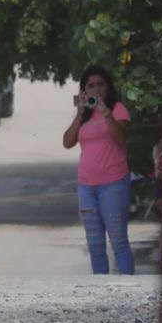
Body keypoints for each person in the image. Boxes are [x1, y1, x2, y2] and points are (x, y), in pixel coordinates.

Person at [61, 64, 134, 275]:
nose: (96, 89)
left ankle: (129, 288)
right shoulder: (84, 116)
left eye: (101, 84)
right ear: (84, 90)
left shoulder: (118, 109)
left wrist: (106, 113)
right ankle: (100, 288)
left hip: (113, 184)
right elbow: (67, 142)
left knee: (118, 240)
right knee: (94, 243)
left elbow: (120, 138)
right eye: (91, 86)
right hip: (86, 187)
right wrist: (79, 114)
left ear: (108, 87)